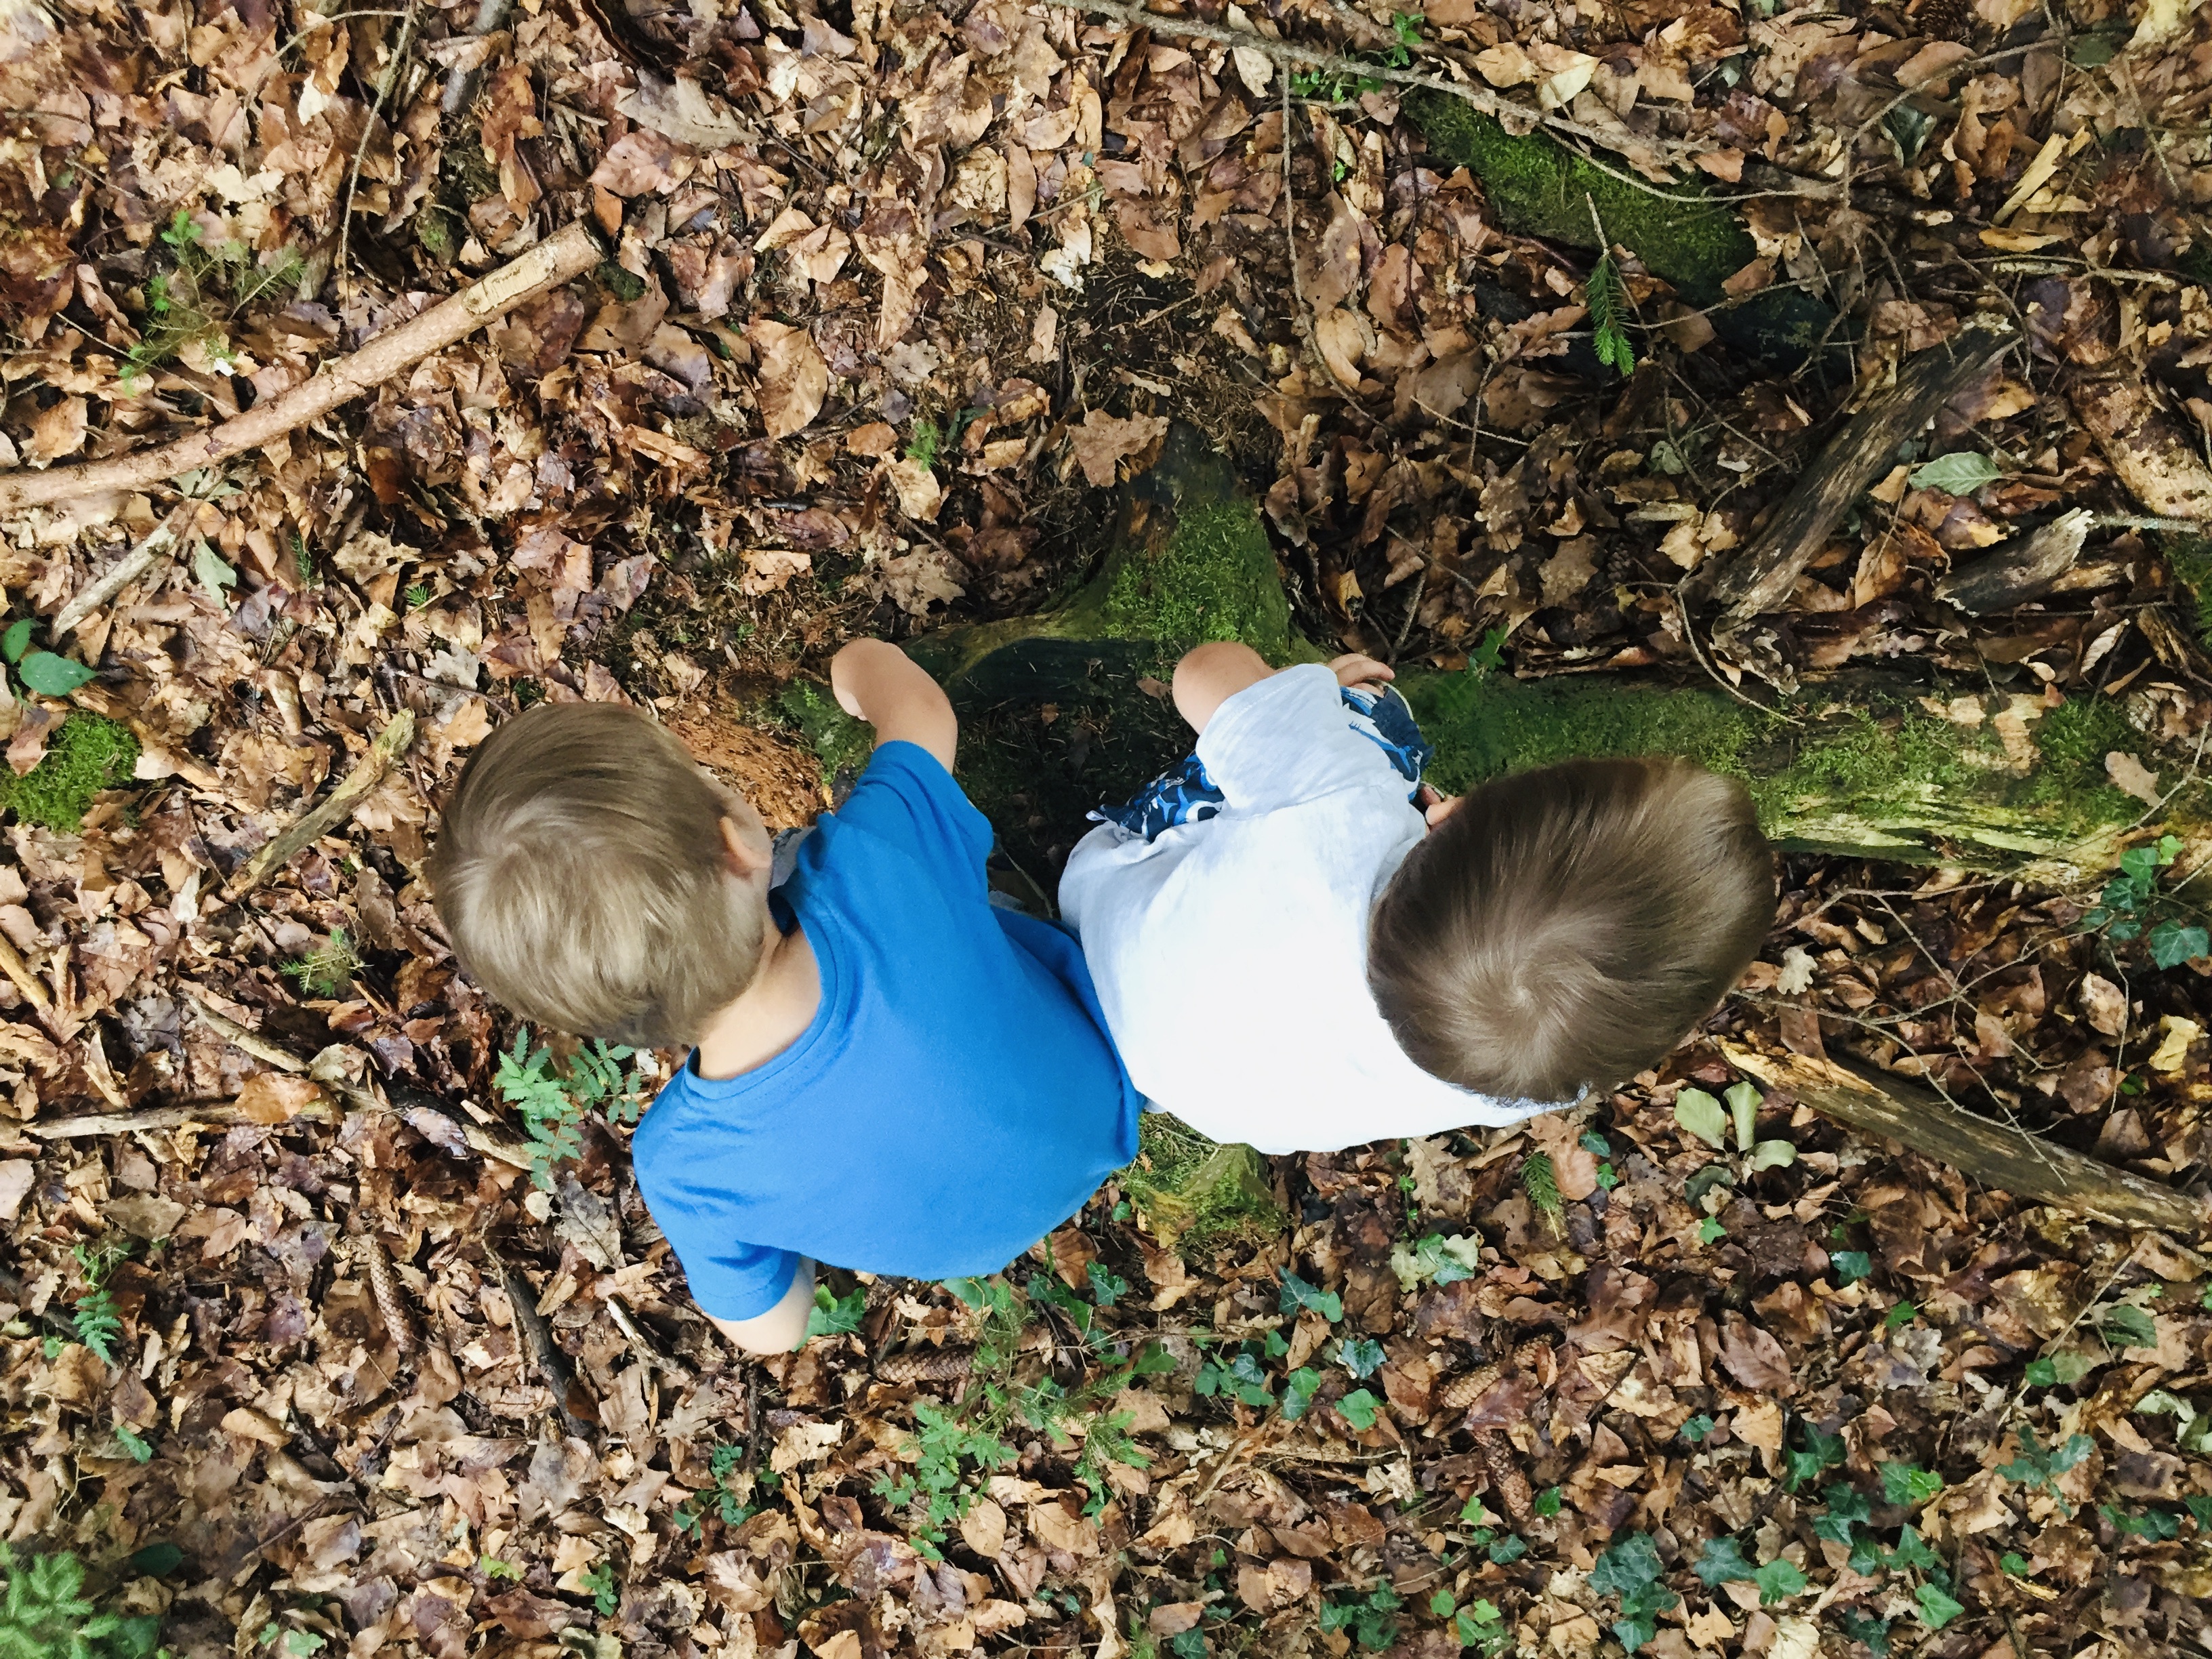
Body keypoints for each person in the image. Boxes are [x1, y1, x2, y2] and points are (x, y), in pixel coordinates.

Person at [428, 642, 1140, 1353]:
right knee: (939, 879)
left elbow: (772, 1330)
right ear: (738, 843)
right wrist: (858, 667)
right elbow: (921, 712)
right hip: (1105, 1068)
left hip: (989, 1236)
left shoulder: (681, 1168)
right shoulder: (868, 865)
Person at [1059, 642, 1776, 1153]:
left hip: (1097, 923)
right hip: (1181, 1086)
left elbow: (1203, 672)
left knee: (1379, 717)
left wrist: (1305, 690)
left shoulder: (1339, 802)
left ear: (1450, 814)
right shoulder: (1539, 1081)